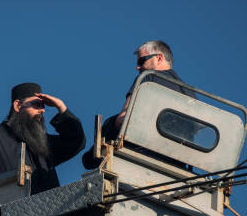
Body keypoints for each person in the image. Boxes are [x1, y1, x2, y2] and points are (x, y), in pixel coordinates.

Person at [82, 40, 197, 169]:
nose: (137, 67)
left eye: (141, 61)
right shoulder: (191, 93)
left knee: (112, 123)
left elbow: (123, 120)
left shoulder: (148, 78)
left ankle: (93, 155)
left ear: (159, 58)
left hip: (144, 154)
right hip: (178, 163)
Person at [0, 82, 86, 194]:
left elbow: (76, 142)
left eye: (43, 106)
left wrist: (61, 107)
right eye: (36, 104)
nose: (42, 110)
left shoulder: (42, 142)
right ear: (18, 106)